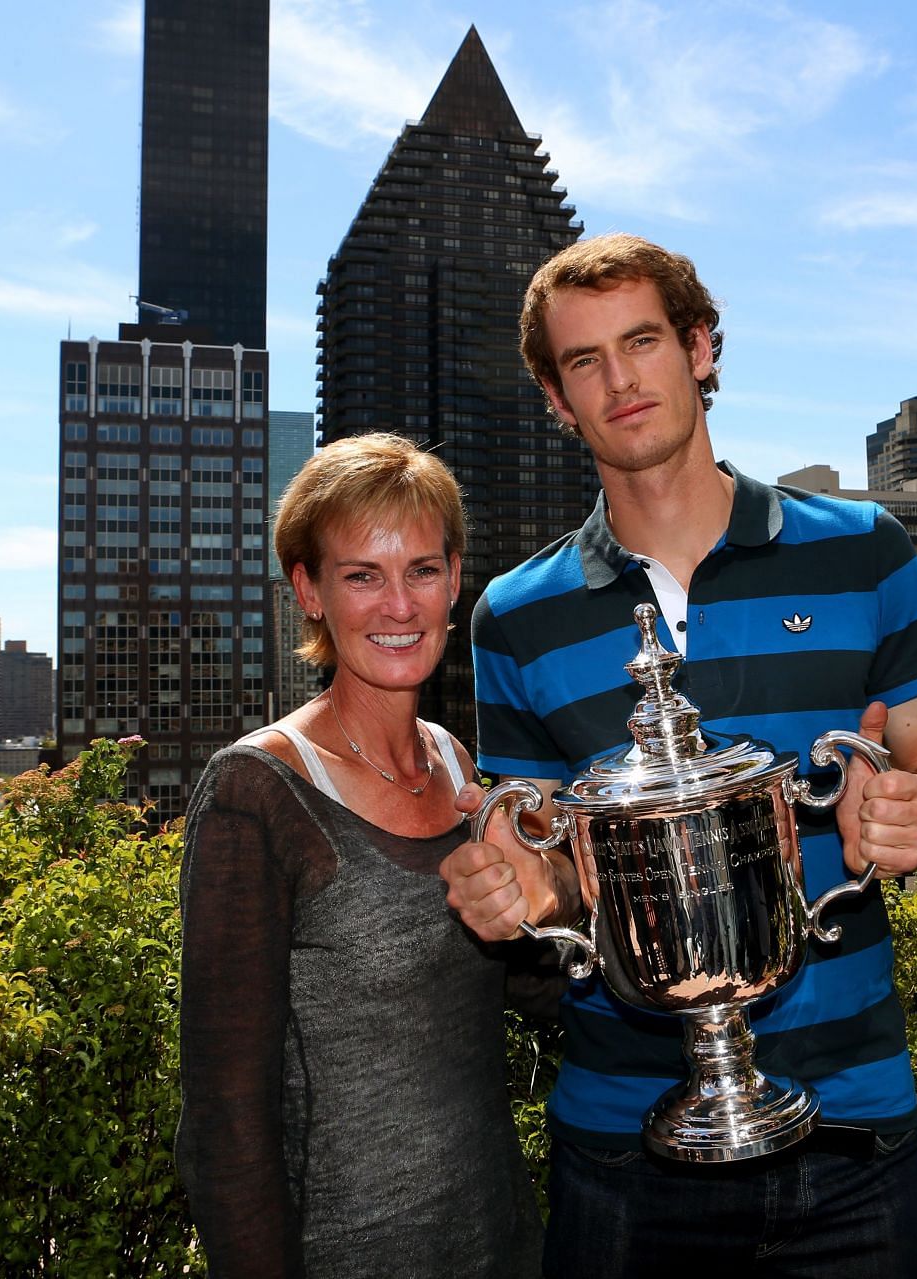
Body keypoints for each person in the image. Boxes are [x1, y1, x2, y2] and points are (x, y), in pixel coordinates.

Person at [440, 234, 917, 1277]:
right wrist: (521, 888)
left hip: (855, 1125)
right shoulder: (514, 616)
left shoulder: (865, 548)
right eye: (583, 361)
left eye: (641, 341)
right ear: (557, 399)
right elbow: (542, 846)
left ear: (699, 349)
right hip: (622, 1148)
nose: (620, 379)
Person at [177, 433, 541, 1278]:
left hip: (501, 1242)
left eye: (420, 569)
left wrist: (566, 879)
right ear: (309, 590)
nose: (399, 604)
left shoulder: (455, 764)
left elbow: (524, 983)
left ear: (454, 581)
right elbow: (225, 1121)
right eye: (361, 574)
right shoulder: (255, 792)